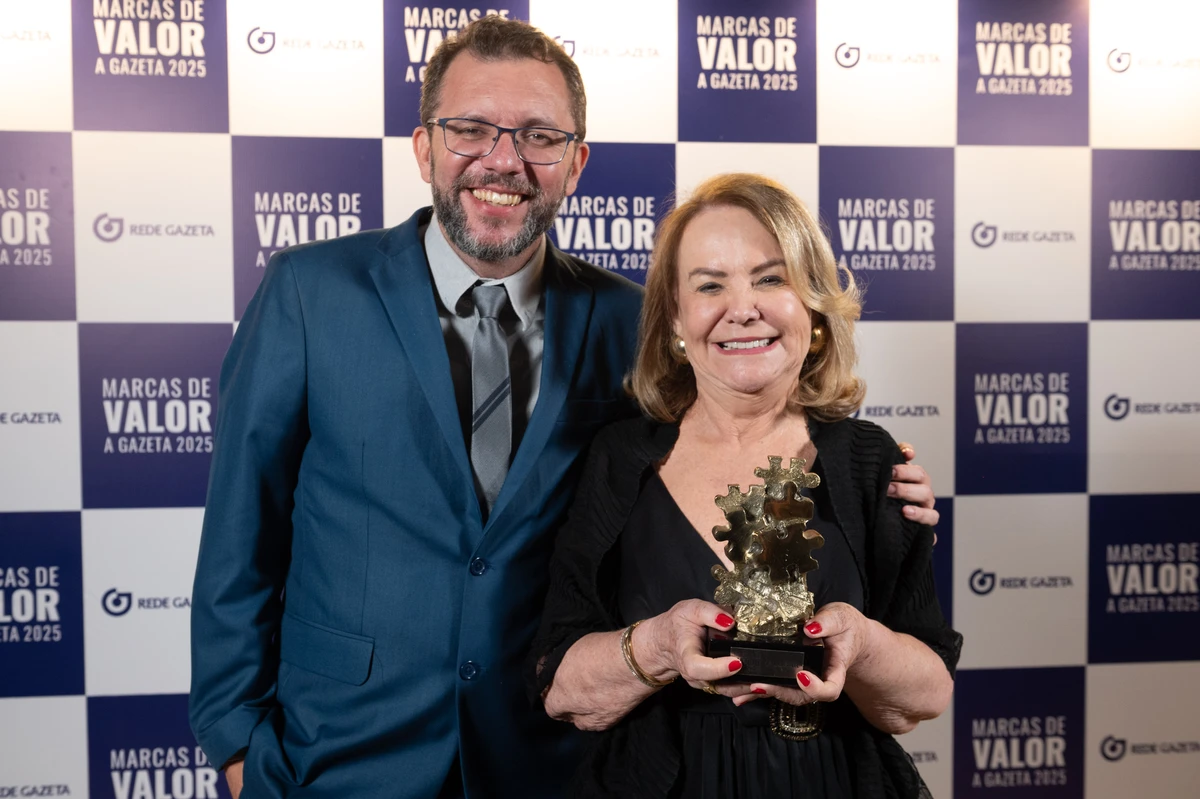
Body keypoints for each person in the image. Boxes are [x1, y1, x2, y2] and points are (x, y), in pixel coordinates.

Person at [189, 17, 941, 799]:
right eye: (471, 129)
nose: (504, 160)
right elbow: (241, 532)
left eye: (540, 136)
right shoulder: (311, 292)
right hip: (339, 754)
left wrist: (877, 481)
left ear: (576, 163)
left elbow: (741, 423)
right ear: (424, 148)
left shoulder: (627, 320)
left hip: (550, 758)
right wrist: (236, 743)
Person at [531, 173, 961, 798]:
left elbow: (921, 699)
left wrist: (859, 644)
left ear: (811, 304)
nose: (743, 308)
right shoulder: (619, 459)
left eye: (770, 278)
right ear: (676, 319)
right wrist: (658, 645)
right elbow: (561, 690)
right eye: (710, 285)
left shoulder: (871, 461)